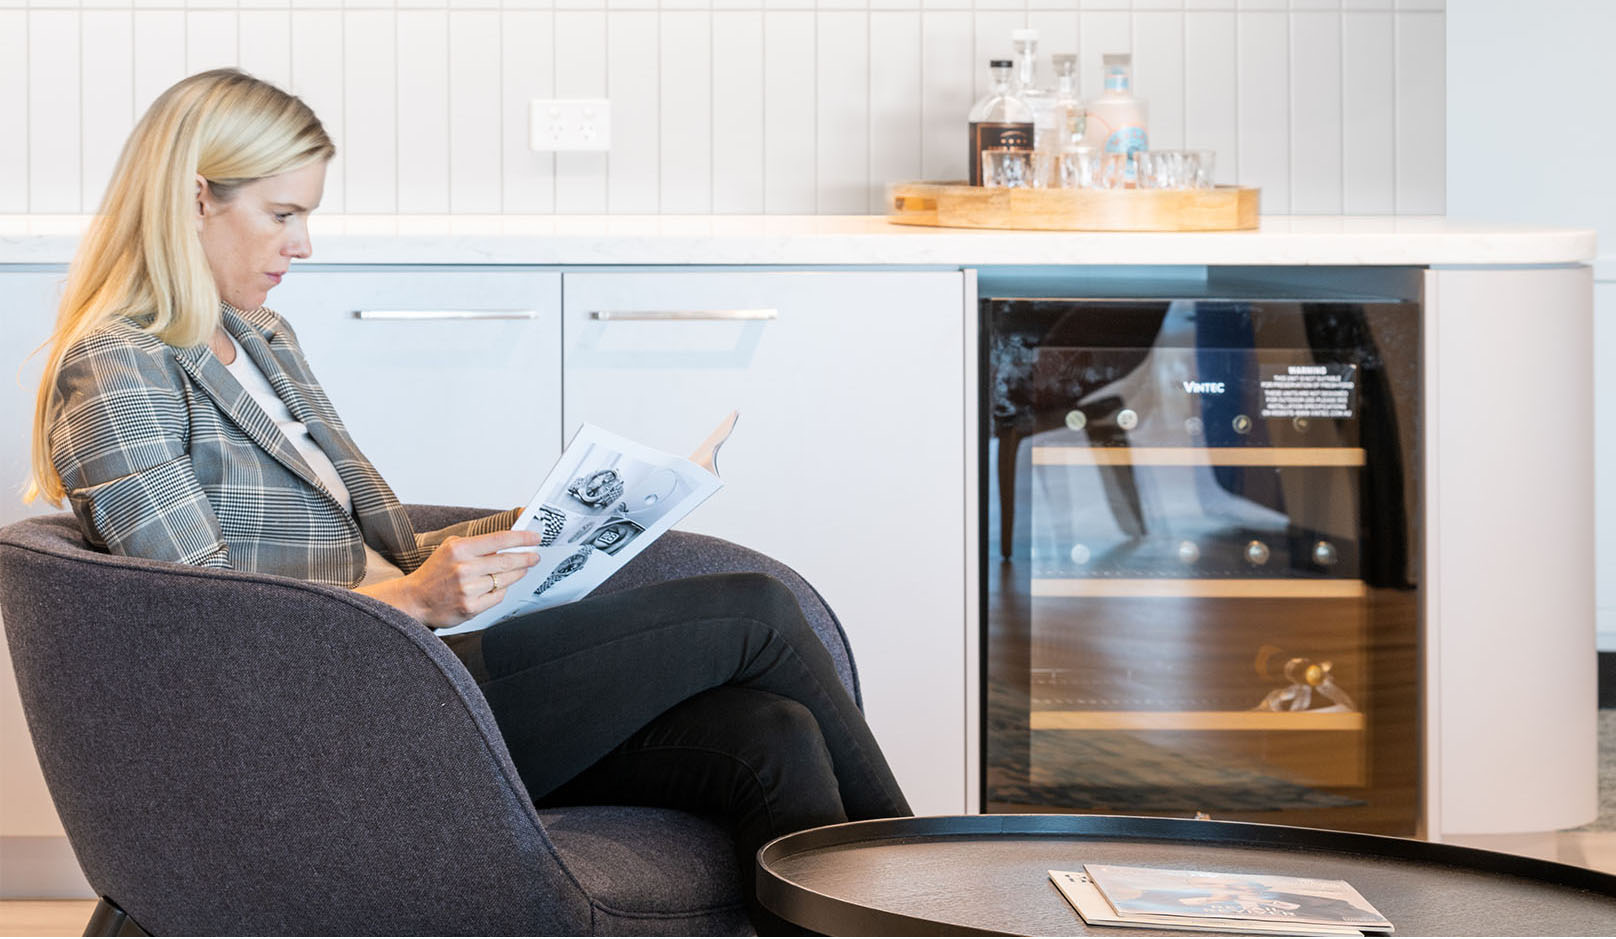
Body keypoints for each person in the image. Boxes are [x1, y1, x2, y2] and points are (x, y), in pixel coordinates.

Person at [26, 68, 910, 928]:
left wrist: (551, 528)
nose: (304, 245)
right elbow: (192, 626)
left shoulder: (257, 337)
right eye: (283, 214)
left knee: (771, 732)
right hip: (338, 715)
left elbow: (374, 537)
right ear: (194, 199)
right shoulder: (120, 365)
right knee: (751, 609)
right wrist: (410, 600)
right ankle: (939, 887)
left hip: (425, 664)